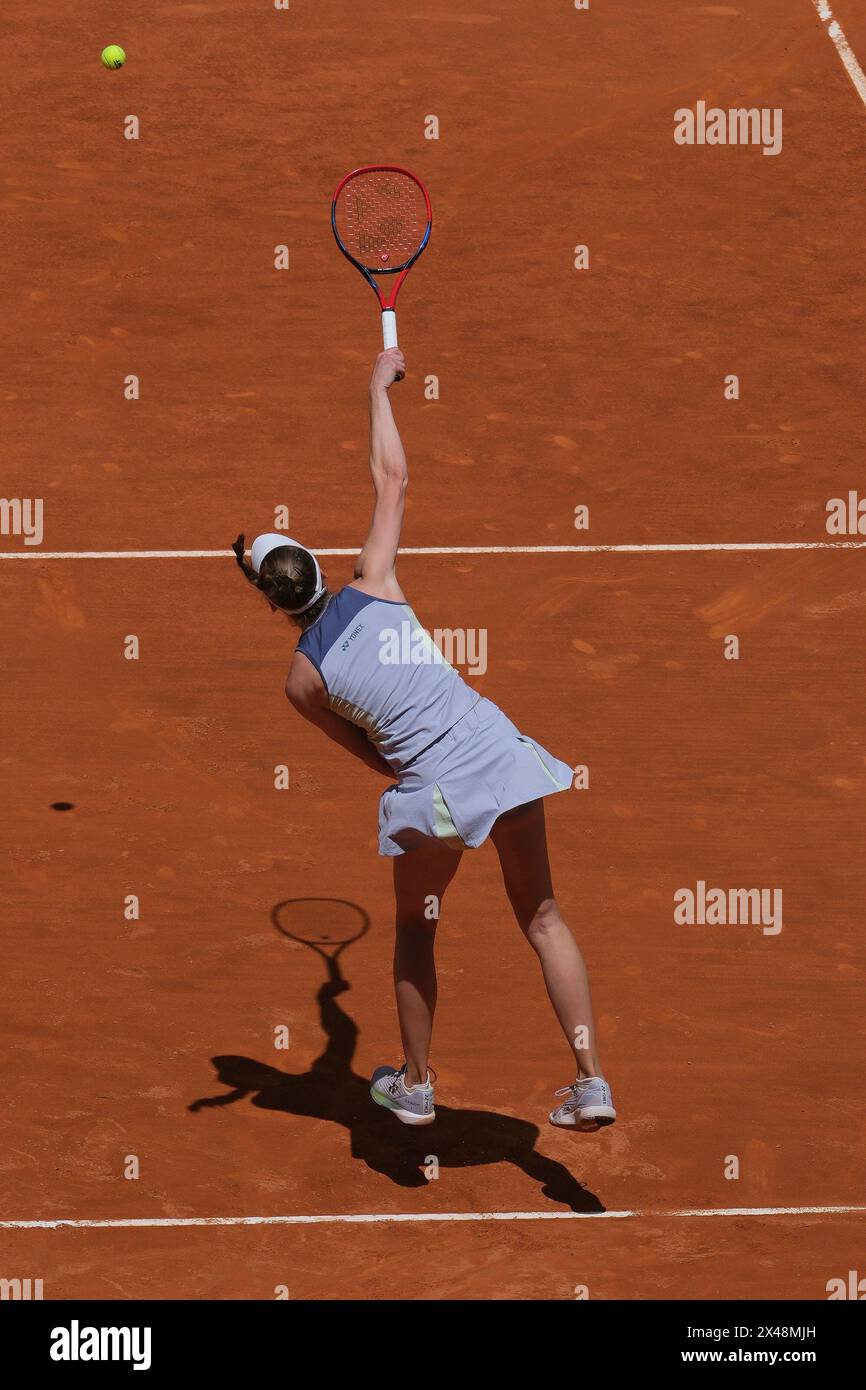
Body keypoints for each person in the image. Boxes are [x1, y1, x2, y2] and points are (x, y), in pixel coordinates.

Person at [233, 348, 615, 1133]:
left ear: (274, 605)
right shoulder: (375, 579)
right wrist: (376, 388)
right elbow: (393, 478)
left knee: (417, 927)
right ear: (316, 566)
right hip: (499, 755)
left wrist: (408, 774)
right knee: (542, 918)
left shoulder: (302, 680)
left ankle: (415, 1084)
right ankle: (592, 1081)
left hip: (433, 792)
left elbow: (366, 750)